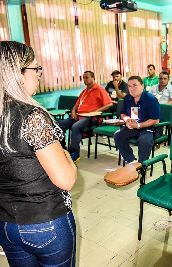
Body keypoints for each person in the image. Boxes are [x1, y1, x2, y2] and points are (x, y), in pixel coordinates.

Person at [0, 41, 77, 266]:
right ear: (18, 74)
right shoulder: (32, 116)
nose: (39, 75)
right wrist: (66, 156)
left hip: (5, 223)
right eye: (36, 69)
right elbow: (66, 180)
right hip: (44, 223)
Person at [58, 71, 113, 161]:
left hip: (92, 118)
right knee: (58, 124)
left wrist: (96, 111)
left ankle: (75, 152)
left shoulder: (99, 90)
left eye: (87, 77)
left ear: (93, 78)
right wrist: (73, 111)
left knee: (75, 127)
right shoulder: (84, 91)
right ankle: (63, 148)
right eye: (83, 78)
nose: (85, 80)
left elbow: (109, 104)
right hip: (79, 116)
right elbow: (77, 104)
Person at [114, 76, 160, 164]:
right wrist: (127, 119)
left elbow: (155, 120)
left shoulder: (150, 99)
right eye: (129, 86)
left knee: (144, 140)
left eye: (135, 85)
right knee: (118, 136)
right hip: (134, 126)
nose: (132, 88)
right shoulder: (128, 98)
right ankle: (130, 160)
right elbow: (123, 113)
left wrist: (139, 125)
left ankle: (142, 164)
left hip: (150, 128)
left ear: (142, 86)